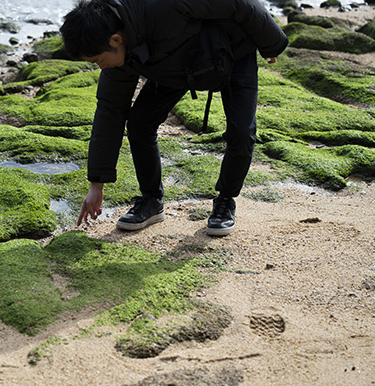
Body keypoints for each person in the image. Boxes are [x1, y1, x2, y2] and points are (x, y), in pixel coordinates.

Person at [60, 0, 288, 236]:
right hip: (174, 69)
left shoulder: (165, 5)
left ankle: (225, 201)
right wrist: (96, 184)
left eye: (99, 60)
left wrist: (272, 43)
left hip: (232, 51)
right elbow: (109, 112)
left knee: (241, 132)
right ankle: (151, 201)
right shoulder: (120, 55)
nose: (101, 67)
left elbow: (239, 3)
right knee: (140, 123)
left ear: (116, 39)